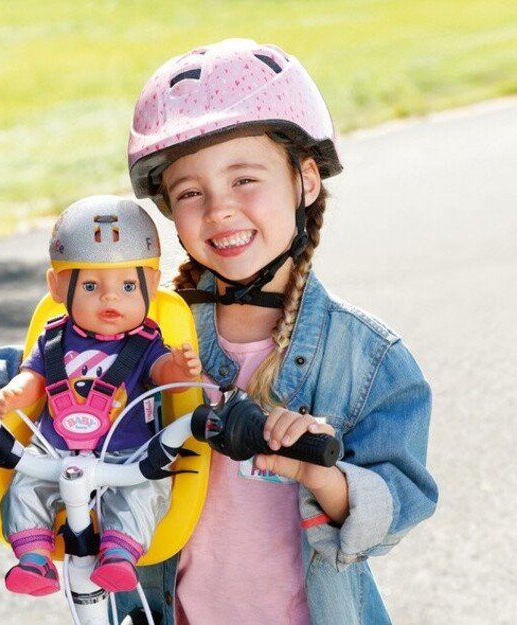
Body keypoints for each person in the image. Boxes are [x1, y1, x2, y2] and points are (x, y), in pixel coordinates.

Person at [118, 38, 438, 625]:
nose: (219, 210)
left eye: (245, 179)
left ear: (306, 180)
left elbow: (401, 501)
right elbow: (58, 362)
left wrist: (323, 473)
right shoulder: (153, 330)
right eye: (191, 192)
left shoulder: (365, 356)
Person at [0, 195, 202, 597]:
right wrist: (15, 394)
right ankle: (33, 559)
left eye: (127, 286)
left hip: (126, 459)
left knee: (142, 493)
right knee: (24, 488)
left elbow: (164, 376)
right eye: (90, 286)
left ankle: (120, 557)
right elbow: (33, 378)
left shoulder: (145, 344)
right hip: (56, 455)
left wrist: (182, 370)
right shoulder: (53, 340)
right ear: (57, 286)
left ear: (151, 286)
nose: (110, 298)